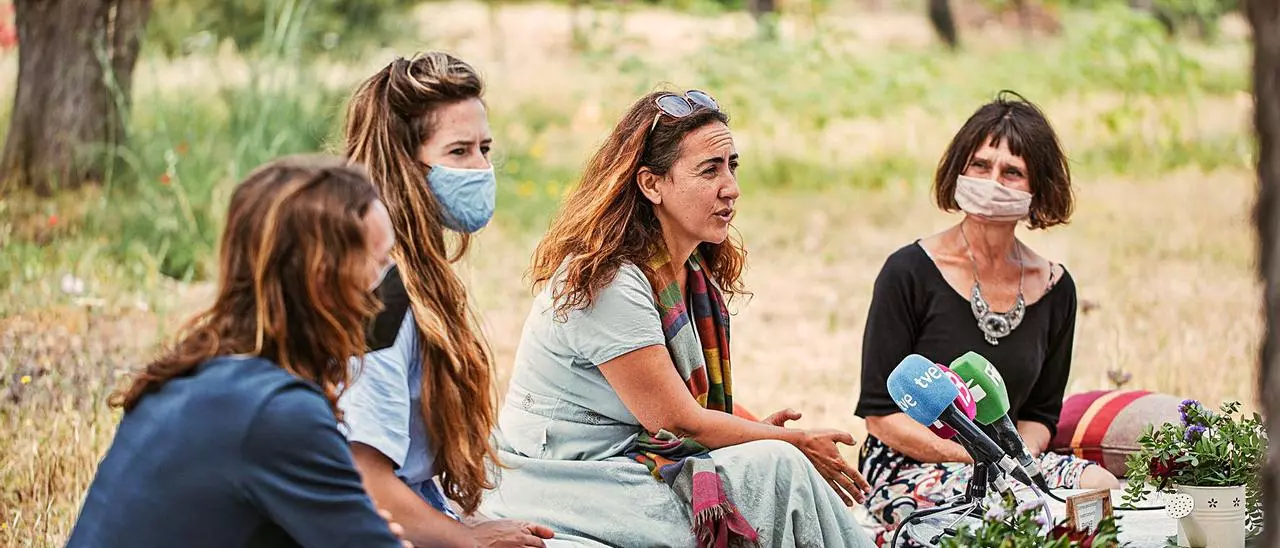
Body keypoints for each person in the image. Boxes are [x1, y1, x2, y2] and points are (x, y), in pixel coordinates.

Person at [478, 89, 878, 548]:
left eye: (732, 166)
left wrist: (765, 434)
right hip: (570, 478)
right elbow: (679, 421)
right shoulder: (610, 281)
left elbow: (690, 408)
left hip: (633, 465)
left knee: (774, 465)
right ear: (652, 185)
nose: (731, 187)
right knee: (780, 467)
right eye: (710, 170)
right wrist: (792, 442)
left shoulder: (690, 272)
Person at [66, 155, 411, 547]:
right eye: (381, 262)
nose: (390, 282)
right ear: (323, 281)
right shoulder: (277, 413)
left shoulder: (191, 376)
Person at [853, 91, 1120, 543]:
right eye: (980, 165)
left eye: (1011, 172)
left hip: (1007, 460)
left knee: (1100, 488)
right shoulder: (908, 272)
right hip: (908, 463)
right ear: (959, 170)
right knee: (1007, 512)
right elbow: (880, 415)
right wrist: (974, 456)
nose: (993, 180)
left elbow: (1039, 415)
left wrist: (1013, 460)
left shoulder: (1056, 289)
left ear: (1038, 189)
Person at [340, 51, 555, 548]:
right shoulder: (381, 296)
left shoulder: (418, 276)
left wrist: (461, 524)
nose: (481, 168)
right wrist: (469, 541)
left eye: (485, 148)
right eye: (459, 152)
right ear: (403, 164)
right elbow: (365, 482)